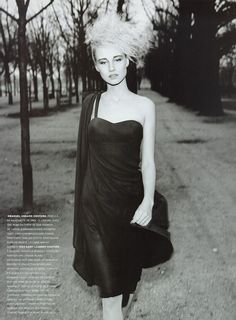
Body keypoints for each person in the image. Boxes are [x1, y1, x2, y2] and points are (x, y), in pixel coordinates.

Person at [72, 13, 173, 320]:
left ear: (129, 59)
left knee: (123, 292)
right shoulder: (91, 104)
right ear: (96, 64)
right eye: (103, 62)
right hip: (95, 211)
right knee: (110, 300)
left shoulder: (145, 107)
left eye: (117, 59)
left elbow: (148, 162)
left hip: (129, 211)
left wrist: (146, 201)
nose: (111, 68)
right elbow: (84, 161)